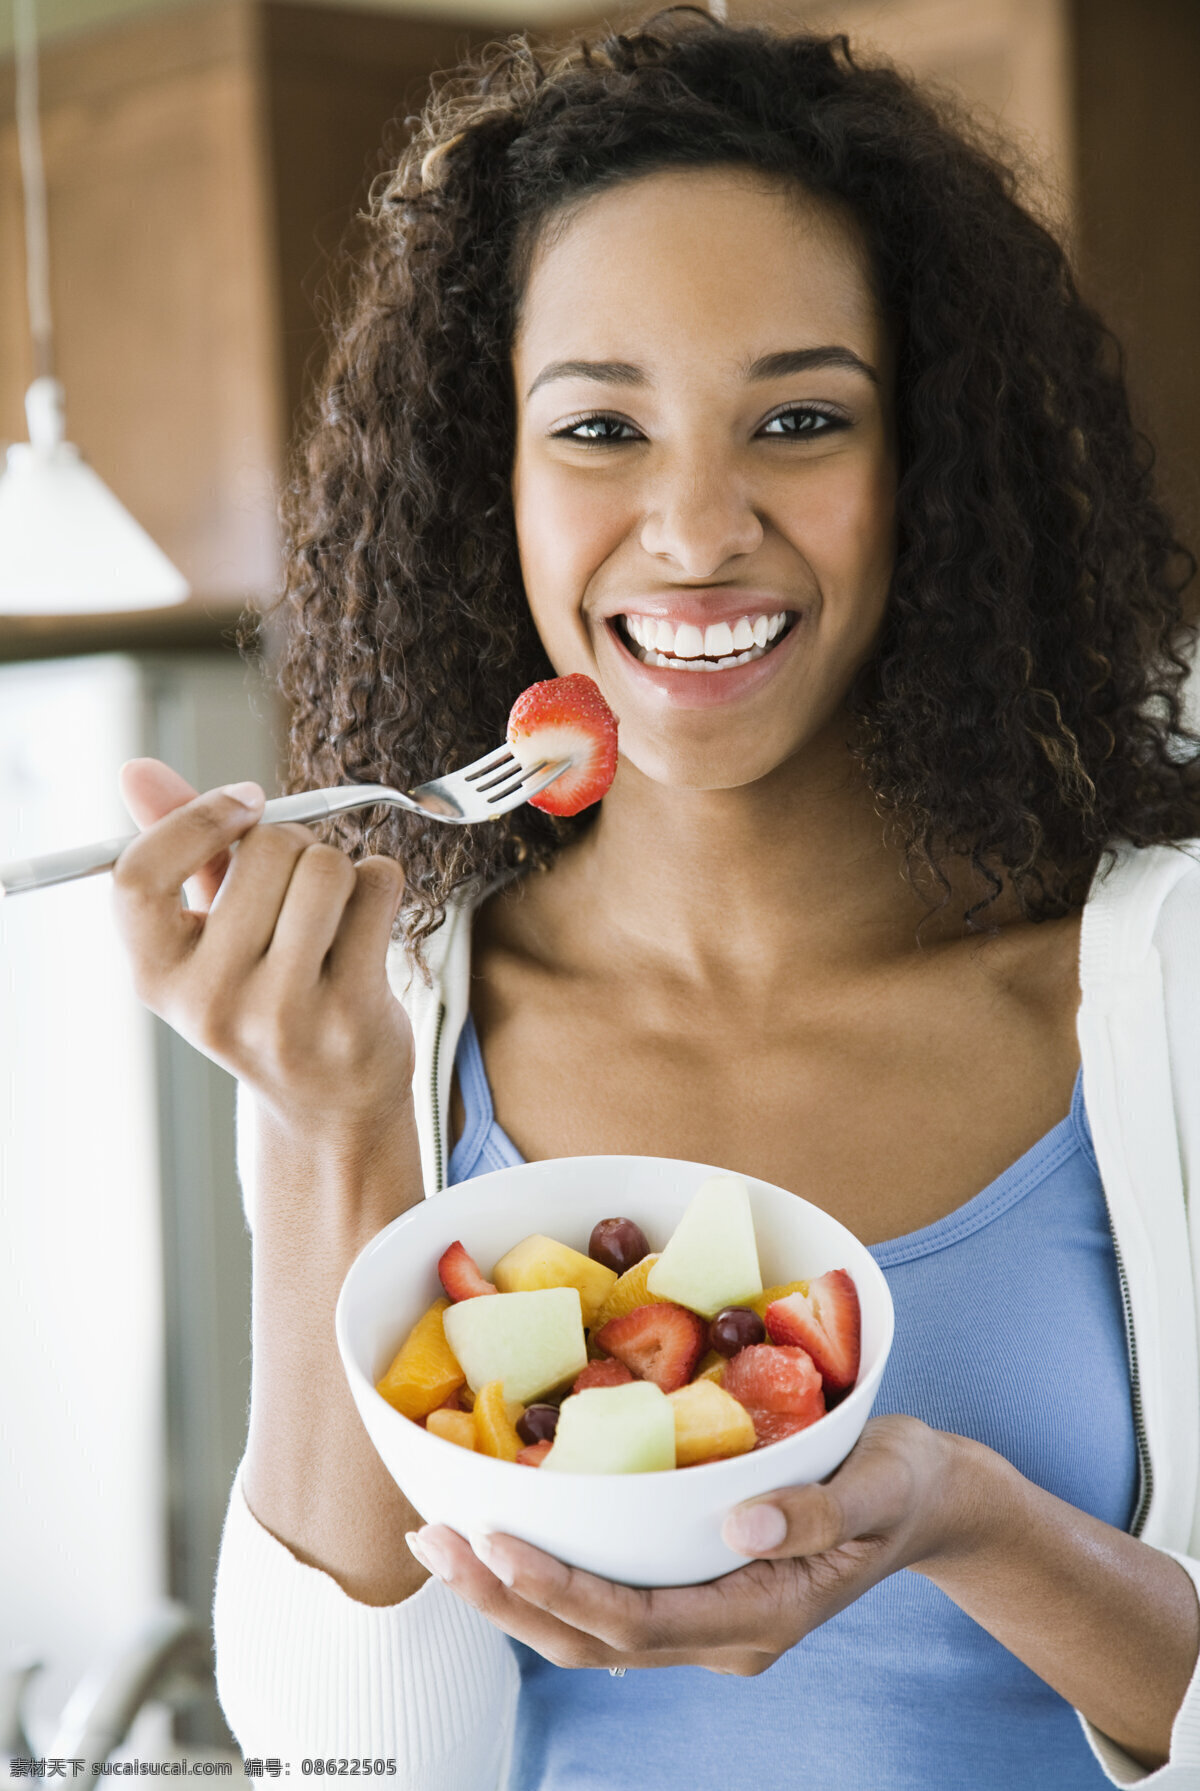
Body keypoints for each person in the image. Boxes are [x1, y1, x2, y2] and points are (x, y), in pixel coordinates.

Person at [112, 10, 1200, 1786]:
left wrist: (976, 1525)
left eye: (798, 417)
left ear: (928, 468)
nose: (697, 529)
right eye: (601, 426)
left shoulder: (1165, 987)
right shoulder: (389, 1028)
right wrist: (335, 1128)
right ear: (500, 489)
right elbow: (345, 1765)